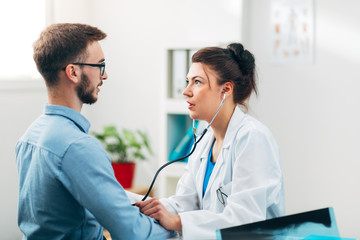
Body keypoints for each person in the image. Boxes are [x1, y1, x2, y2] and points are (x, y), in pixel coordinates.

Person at [15, 23, 173, 240]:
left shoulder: (30, 136)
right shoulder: (77, 146)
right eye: (100, 65)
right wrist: (181, 226)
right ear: (73, 72)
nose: (104, 75)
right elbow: (132, 232)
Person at [136, 43, 285, 239]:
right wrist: (146, 207)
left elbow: (245, 220)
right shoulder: (205, 138)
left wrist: (177, 222)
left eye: (197, 82)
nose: (186, 91)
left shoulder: (252, 138)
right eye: (188, 81)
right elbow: (185, 203)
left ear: (226, 90)